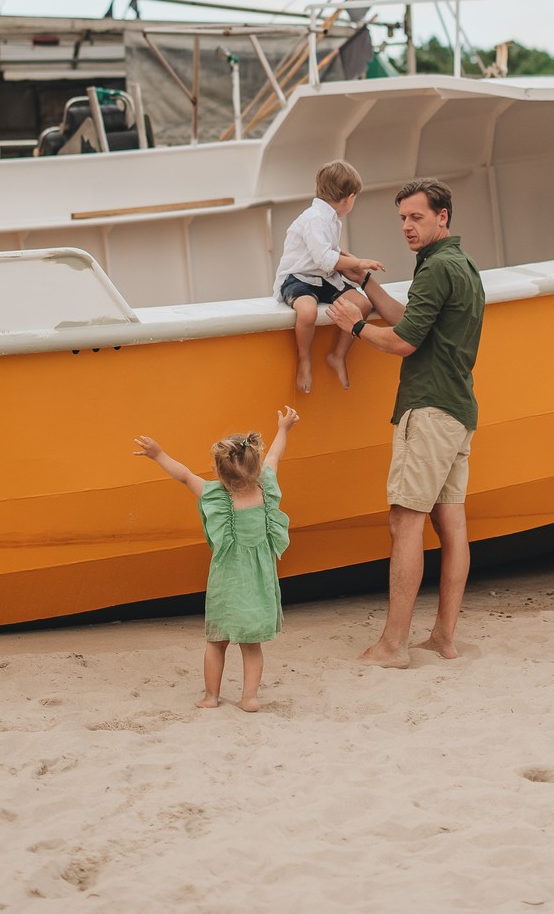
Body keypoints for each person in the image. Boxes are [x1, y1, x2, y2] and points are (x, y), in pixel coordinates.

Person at [326, 178, 484, 668]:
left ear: (443, 217)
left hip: (431, 408)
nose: (407, 227)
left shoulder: (437, 269)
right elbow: (411, 319)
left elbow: (402, 342)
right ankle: (443, 638)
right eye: (402, 219)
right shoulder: (460, 266)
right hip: (459, 409)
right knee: (451, 525)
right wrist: (365, 283)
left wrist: (353, 326)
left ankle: (393, 646)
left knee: (405, 520)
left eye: (416, 217)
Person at [132, 407, 300, 712]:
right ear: (256, 465)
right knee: (252, 646)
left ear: (218, 471)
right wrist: (284, 428)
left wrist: (158, 454)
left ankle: (211, 696)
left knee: (216, 641)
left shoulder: (215, 495)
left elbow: (183, 475)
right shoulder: (268, 487)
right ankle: (249, 697)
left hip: (227, 582)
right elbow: (276, 455)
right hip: (259, 583)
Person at [273, 159, 385, 393]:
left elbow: (329, 258)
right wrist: (359, 262)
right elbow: (324, 258)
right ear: (349, 198)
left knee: (362, 305)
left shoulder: (331, 220)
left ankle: (338, 354)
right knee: (308, 311)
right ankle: (304, 359)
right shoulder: (315, 218)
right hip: (298, 278)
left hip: (322, 278)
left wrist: (345, 261)